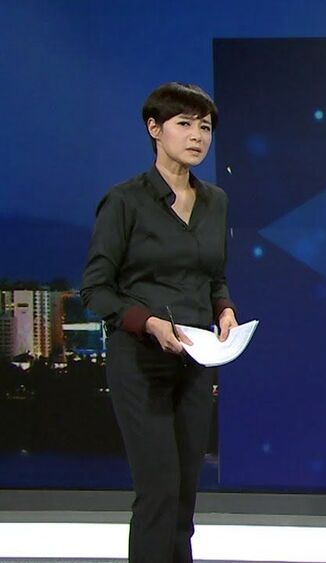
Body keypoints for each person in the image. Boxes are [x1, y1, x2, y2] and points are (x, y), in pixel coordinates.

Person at [81, 82, 237, 562]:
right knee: (159, 494)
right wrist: (148, 323)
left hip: (195, 362)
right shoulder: (124, 201)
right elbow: (95, 288)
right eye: (184, 124)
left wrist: (225, 309)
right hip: (140, 362)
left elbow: (214, 277)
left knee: (185, 496)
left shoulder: (215, 201)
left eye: (204, 127)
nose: (197, 136)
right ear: (155, 129)